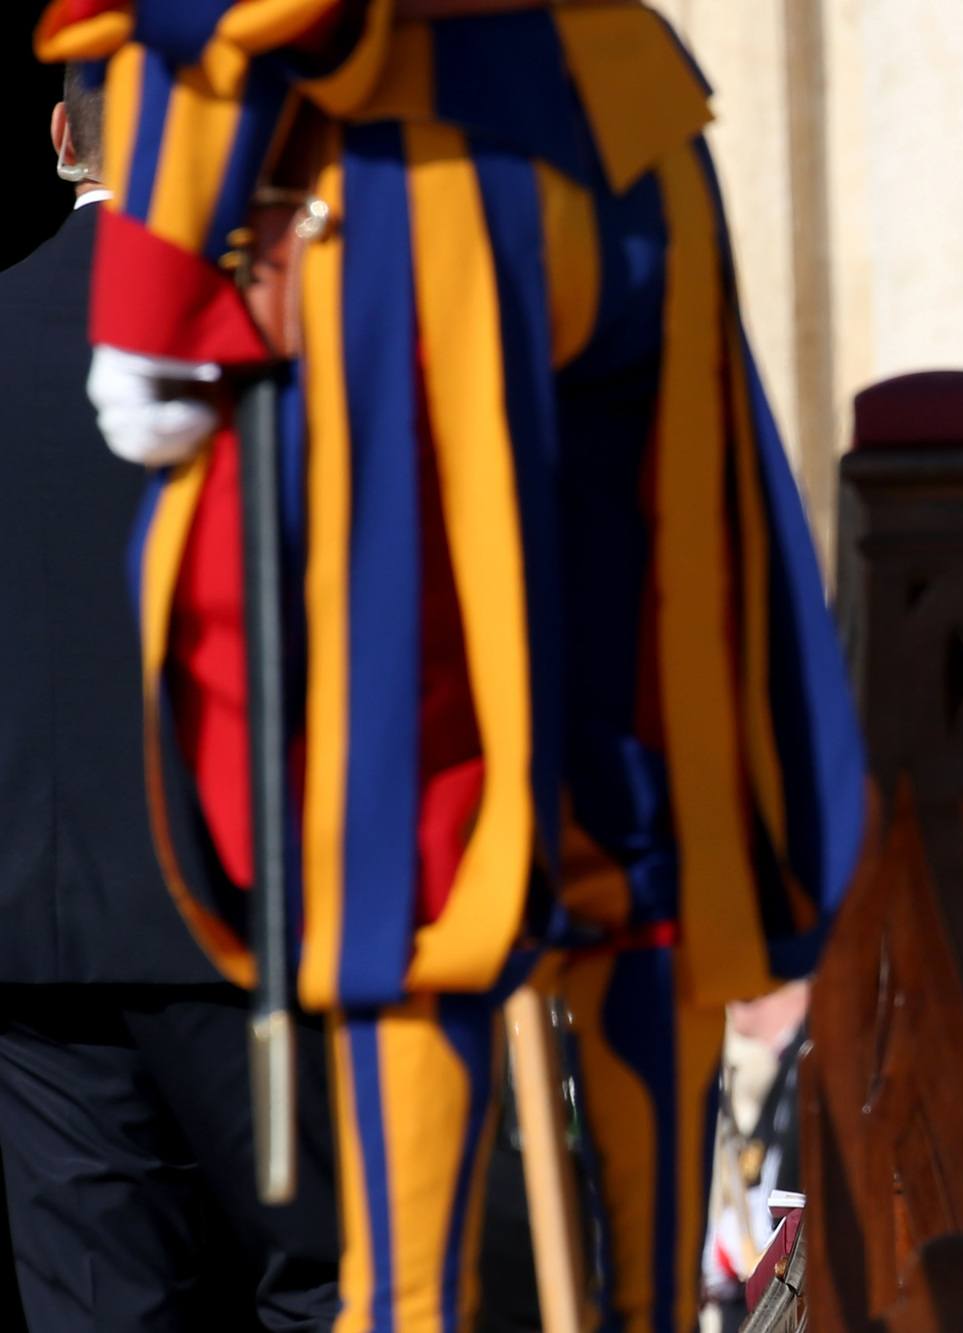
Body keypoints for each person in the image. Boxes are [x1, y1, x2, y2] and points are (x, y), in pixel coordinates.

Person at [35, 5, 867, 1330]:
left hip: (425, 187)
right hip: (628, 139)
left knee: (411, 843)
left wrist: (152, 307)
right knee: (646, 774)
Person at [0, 69, 340, 1331]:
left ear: (58, 138)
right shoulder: (281, 343)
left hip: (32, 943)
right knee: (342, 1286)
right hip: (252, 916)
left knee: (101, 1317)